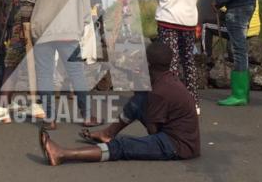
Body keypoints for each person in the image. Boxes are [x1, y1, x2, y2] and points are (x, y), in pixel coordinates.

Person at [39, 41, 200, 165]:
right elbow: (142, 103)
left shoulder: (159, 92)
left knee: (123, 146)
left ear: (148, 65)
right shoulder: (165, 79)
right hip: (179, 138)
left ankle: (62, 154)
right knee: (139, 100)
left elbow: (153, 131)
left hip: (176, 146)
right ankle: (107, 134)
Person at [18, 0, 94, 130]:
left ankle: (50, 118)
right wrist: (85, 19)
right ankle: (87, 116)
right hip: (69, 26)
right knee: (76, 72)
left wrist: (26, 23)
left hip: (42, 25)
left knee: (44, 74)